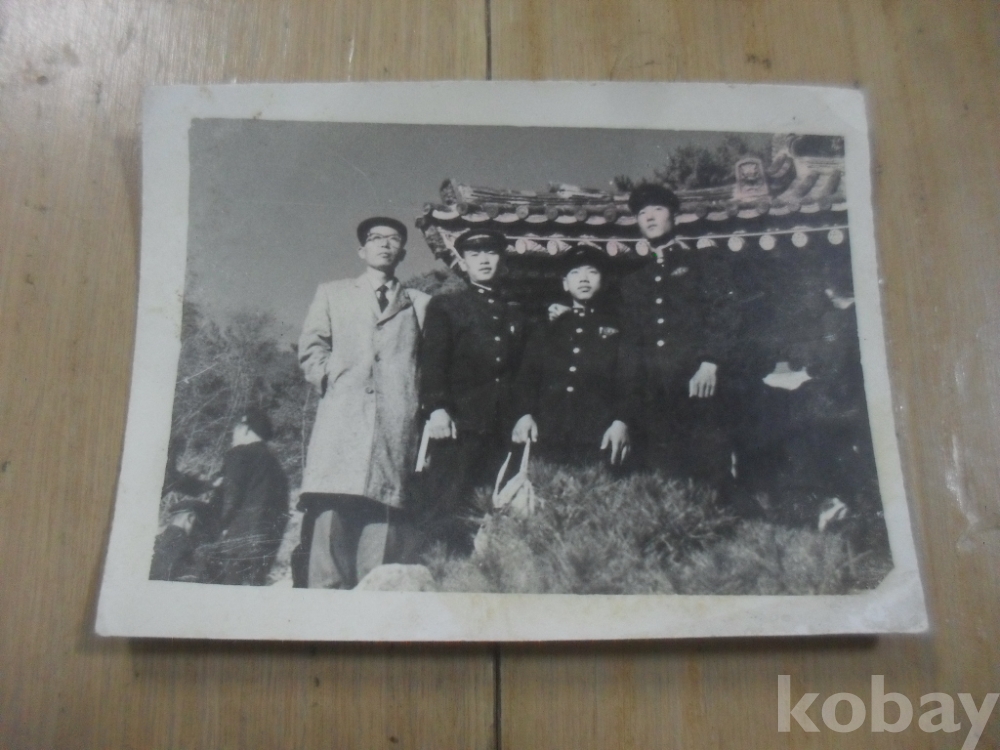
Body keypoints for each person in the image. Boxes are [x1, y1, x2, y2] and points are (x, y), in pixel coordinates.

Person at [296, 217, 430, 588]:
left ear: (402, 252)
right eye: (376, 238)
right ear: (362, 250)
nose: (385, 244)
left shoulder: (420, 304)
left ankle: (373, 605)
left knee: (383, 520)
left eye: (394, 239)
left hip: (394, 424)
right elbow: (312, 347)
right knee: (331, 513)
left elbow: (429, 360)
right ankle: (326, 603)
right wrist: (330, 378)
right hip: (343, 418)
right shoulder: (332, 293)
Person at [619, 183, 740, 494]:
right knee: (663, 476)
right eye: (642, 213)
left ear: (675, 216)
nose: (649, 217)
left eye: (657, 209)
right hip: (654, 393)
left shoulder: (703, 264)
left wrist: (710, 362)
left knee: (709, 472)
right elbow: (629, 338)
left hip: (698, 384)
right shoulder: (634, 281)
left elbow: (724, 312)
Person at [419, 229, 527, 554]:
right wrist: (437, 407)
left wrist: (523, 414)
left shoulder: (515, 311)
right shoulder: (447, 306)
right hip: (458, 425)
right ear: (463, 263)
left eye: (491, 253)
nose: (484, 260)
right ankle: (445, 573)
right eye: (475, 255)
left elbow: (523, 369)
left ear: (501, 260)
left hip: (501, 427)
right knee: (448, 505)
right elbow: (433, 361)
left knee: (492, 507)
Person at [511, 246, 636, 468]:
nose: (584, 279)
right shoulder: (546, 329)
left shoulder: (621, 327)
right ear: (565, 284)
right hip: (547, 434)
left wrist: (621, 422)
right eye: (575, 273)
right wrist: (524, 414)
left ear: (603, 281)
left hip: (600, 436)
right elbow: (528, 377)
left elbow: (630, 380)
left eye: (592, 272)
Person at [199, 408, 290, 586]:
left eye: (235, 430)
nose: (233, 437)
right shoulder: (276, 466)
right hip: (266, 545)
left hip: (237, 544)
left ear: (246, 429)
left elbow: (231, 496)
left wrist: (215, 527)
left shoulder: (240, 454)